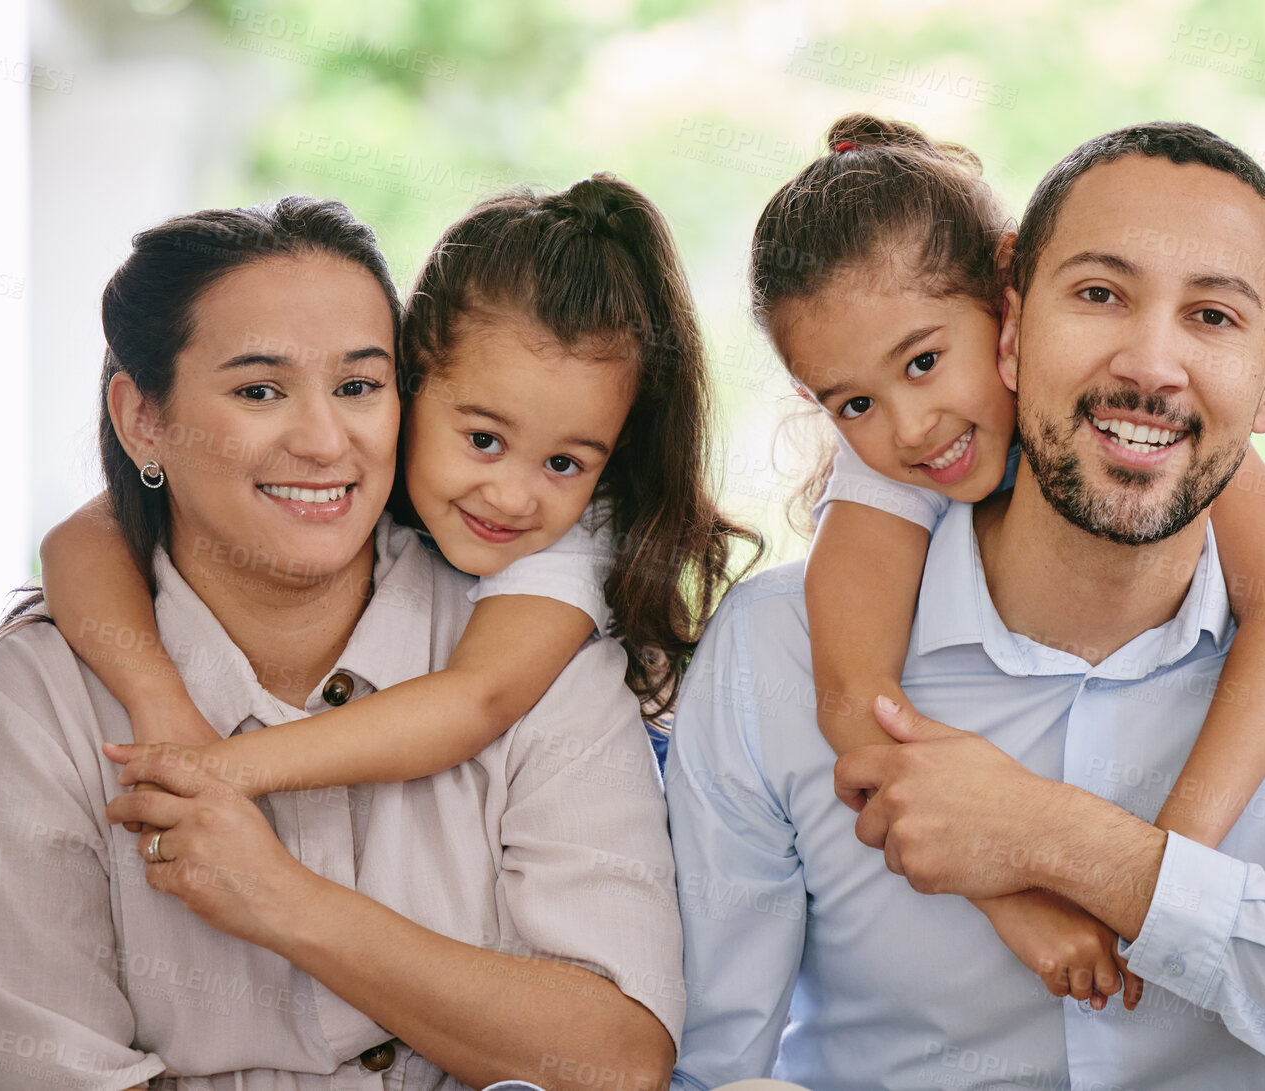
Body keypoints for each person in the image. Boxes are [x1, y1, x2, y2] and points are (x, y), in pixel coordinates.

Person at [665, 124, 1265, 1090]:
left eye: (1213, 317)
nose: (1150, 363)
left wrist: (1078, 849)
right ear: (1013, 326)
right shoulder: (783, 639)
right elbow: (712, 1055)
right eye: (1099, 295)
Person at [0, 193, 691, 1091]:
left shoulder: (535, 661)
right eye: (258, 390)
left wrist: (284, 901)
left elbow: (617, 1057)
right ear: (141, 421)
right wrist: (163, 701)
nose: (325, 441)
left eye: (359, 386)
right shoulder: (26, 710)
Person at [759, 113, 1265, 1007]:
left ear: (1007, 307)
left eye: (925, 362)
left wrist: (1157, 880)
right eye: (851, 403)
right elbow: (855, 705)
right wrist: (1013, 900)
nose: (909, 426)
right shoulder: (888, 478)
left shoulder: (1145, 421)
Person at [37, 173, 755, 818]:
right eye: (482, 440)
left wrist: (226, 767)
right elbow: (79, 540)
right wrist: (158, 701)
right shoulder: (354, 460)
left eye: (565, 461)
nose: (510, 496)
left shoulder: (573, 538)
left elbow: (474, 700)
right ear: (411, 384)